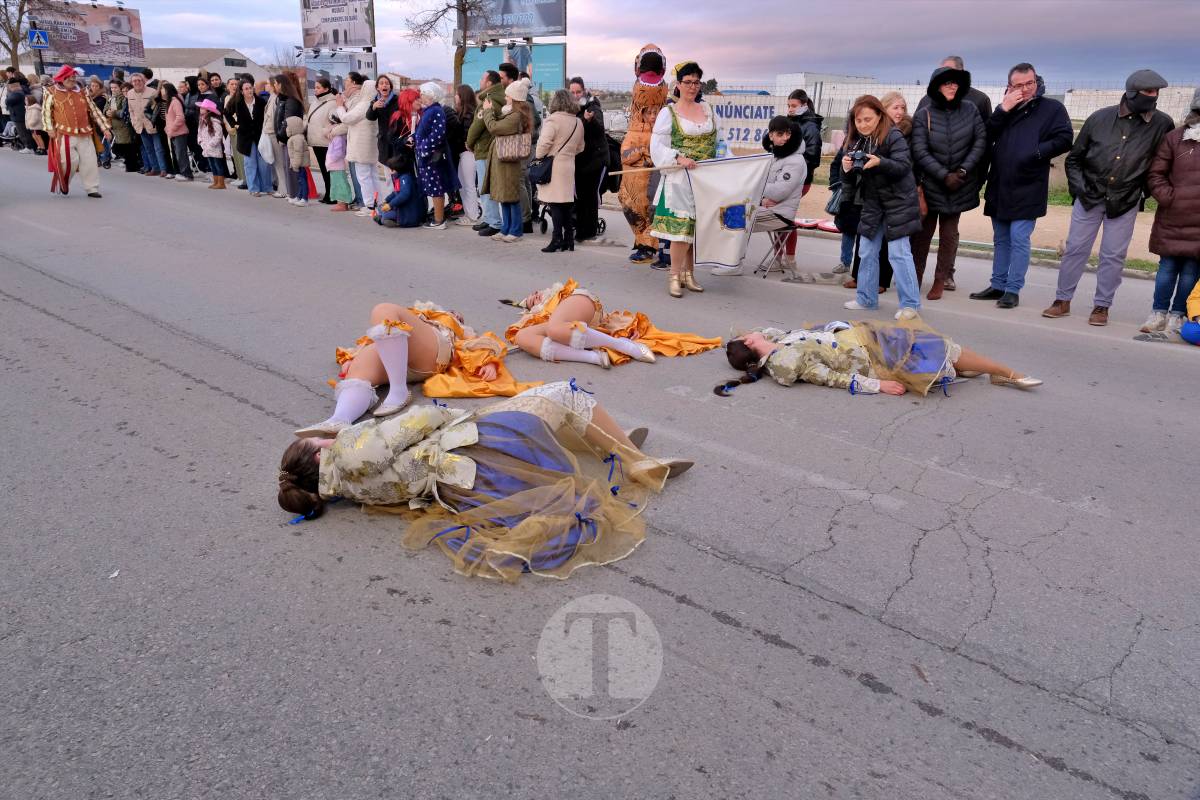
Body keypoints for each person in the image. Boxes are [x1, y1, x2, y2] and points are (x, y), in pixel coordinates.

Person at [278, 379, 691, 581]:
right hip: (476, 451)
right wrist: (442, 412)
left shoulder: (347, 489)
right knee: (561, 394)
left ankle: (608, 448)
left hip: (465, 483)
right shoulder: (350, 453)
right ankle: (631, 459)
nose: (323, 435)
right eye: (317, 439)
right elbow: (423, 418)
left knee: (530, 410)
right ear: (318, 453)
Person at [1043, 69, 1175, 326]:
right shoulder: (1099, 118)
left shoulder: (1162, 123)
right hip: (1089, 197)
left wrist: (1143, 192)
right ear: (1133, 92)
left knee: (1113, 255)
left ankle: (1102, 306)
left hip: (1125, 201)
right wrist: (1081, 189)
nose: (1154, 96)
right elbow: (1074, 159)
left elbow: (1162, 164)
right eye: (1149, 91)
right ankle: (1062, 300)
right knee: (1075, 250)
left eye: (1157, 92)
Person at [294, 301, 538, 438]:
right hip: (396, 358)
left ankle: (399, 391)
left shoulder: (449, 325)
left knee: (383, 309)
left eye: (457, 314)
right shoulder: (415, 319)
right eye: (453, 312)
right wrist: (353, 357)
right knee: (359, 371)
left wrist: (487, 362)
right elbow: (379, 336)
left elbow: (477, 345)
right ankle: (340, 419)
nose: (454, 313)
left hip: (430, 354)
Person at [967, 64, 1073, 309]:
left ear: (1036, 81)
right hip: (1000, 183)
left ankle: (1013, 289)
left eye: (1030, 83)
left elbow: (1064, 138)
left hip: (1029, 184)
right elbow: (987, 135)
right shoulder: (1005, 108)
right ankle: (998, 285)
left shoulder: (1052, 108)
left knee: (1019, 238)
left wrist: (1037, 152)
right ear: (1009, 86)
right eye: (1019, 85)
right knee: (1001, 238)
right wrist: (1004, 109)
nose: (1025, 89)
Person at [719, 320, 1043, 398]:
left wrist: (758, 342)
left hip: (861, 337)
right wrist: (878, 385)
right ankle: (1006, 372)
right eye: (749, 336)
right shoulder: (783, 362)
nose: (753, 331)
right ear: (750, 343)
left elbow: (765, 330)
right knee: (937, 350)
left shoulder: (775, 341)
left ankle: (984, 370)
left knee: (932, 344)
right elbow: (832, 378)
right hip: (869, 357)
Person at [506, 278, 722, 368]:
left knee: (554, 327)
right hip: (562, 326)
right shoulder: (532, 316)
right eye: (531, 299)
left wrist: (543, 299)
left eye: (535, 294)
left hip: (581, 304)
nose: (535, 296)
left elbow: (559, 307)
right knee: (523, 337)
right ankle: (593, 357)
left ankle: (623, 346)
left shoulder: (558, 293)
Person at [839, 94, 922, 318]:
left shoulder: (893, 135)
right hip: (873, 203)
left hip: (899, 202)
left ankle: (910, 305)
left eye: (868, 119)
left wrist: (880, 162)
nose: (863, 124)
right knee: (866, 251)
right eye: (859, 120)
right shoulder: (856, 140)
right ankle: (866, 299)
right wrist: (846, 168)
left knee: (898, 253)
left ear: (879, 115)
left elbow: (904, 166)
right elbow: (849, 180)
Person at [909, 66, 987, 300]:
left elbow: (980, 140)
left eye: (956, 83)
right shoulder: (925, 113)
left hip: (960, 185)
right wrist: (944, 175)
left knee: (949, 234)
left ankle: (941, 279)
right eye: (946, 83)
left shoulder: (970, 109)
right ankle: (915, 276)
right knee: (923, 234)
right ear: (936, 86)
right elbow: (919, 150)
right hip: (933, 183)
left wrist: (962, 171)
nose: (952, 86)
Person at [650, 61, 717, 298]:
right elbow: (656, 146)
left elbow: (719, 143)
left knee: (695, 229)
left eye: (696, 82)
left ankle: (690, 274)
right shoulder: (668, 113)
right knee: (681, 230)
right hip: (680, 179)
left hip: (704, 178)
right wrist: (678, 158)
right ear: (678, 85)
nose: (692, 87)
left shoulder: (708, 110)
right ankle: (674, 276)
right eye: (687, 82)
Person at [713, 115, 806, 278]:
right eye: (780, 134)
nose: (785, 138)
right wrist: (761, 197)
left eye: (788, 134)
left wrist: (756, 187)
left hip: (780, 215)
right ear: (771, 135)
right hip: (767, 207)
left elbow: (779, 191)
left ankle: (733, 264)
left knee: (734, 218)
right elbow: (766, 187)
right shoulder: (776, 155)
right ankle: (727, 259)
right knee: (725, 212)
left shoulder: (795, 160)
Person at [1141, 89, 1200, 336]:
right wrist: (1169, 199)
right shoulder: (1175, 138)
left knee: (1191, 271)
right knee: (1166, 268)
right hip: (1173, 216)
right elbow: (1156, 174)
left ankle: (1178, 316)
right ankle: (1158, 313)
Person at [618, 44, 669, 264]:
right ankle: (644, 241)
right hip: (641, 146)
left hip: (648, 147)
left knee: (643, 201)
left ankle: (648, 243)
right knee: (634, 200)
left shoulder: (646, 89)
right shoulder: (659, 86)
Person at [761, 88, 824, 270]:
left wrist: (793, 166)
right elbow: (773, 144)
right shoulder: (789, 122)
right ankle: (780, 257)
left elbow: (813, 156)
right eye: (788, 105)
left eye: (794, 106)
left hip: (799, 179)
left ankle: (788, 258)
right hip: (783, 175)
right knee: (781, 214)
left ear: (804, 106)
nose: (790, 109)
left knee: (785, 216)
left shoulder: (811, 127)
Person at [42, 65, 111, 198]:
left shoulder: (83, 91)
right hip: (64, 133)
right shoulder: (51, 91)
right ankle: (64, 182)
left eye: (74, 77)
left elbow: (94, 110)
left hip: (85, 132)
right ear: (62, 78)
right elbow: (45, 111)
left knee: (89, 161)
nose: (73, 80)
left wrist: (105, 127)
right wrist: (49, 128)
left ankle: (92, 188)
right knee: (69, 161)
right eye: (70, 78)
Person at [481, 78, 533, 242]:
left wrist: (488, 111)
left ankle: (515, 230)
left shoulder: (515, 116)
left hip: (508, 162)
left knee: (511, 196)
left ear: (514, 98)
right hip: (503, 161)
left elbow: (494, 128)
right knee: (504, 195)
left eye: (508, 96)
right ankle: (506, 228)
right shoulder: (511, 114)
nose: (505, 98)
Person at [534, 89, 585, 253]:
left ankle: (556, 239)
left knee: (555, 204)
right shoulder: (578, 122)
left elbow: (542, 146)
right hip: (569, 166)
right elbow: (580, 147)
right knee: (566, 205)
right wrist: (567, 154)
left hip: (554, 166)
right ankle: (569, 240)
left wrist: (541, 155)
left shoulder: (553, 120)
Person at [466, 70, 506, 236]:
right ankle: (489, 218)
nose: (480, 81)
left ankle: (494, 222)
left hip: (484, 149)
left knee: (486, 188)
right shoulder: (497, 98)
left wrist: (469, 142)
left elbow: (477, 125)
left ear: (489, 83)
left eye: (483, 78)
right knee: (485, 188)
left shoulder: (488, 101)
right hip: (489, 148)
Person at [414, 82, 458, 230]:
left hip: (432, 157)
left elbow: (438, 134)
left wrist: (423, 146)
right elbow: (423, 131)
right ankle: (438, 218)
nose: (421, 96)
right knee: (433, 187)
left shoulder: (435, 111)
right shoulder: (429, 110)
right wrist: (413, 139)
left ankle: (439, 221)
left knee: (435, 187)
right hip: (427, 156)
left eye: (423, 93)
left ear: (431, 95)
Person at [569, 77, 607, 243]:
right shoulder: (572, 108)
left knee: (589, 196)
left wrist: (588, 120)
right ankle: (581, 227)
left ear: (584, 91)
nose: (576, 95)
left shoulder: (593, 107)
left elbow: (599, 129)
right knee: (581, 196)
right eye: (572, 92)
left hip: (594, 159)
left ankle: (588, 231)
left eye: (578, 92)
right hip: (581, 159)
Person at [336, 72, 378, 214]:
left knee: (364, 176)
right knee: (372, 176)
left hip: (361, 146)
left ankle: (369, 205)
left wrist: (339, 107)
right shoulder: (374, 104)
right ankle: (375, 203)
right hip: (369, 146)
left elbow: (347, 119)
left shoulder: (364, 104)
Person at [271, 73, 306, 200]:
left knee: (292, 167)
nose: (274, 86)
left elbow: (288, 122)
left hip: (290, 138)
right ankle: (293, 193)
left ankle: (296, 194)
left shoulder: (291, 101)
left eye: (275, 83)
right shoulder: (282, 99)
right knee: (287, 167)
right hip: (285, 138)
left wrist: (280, 135)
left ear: (281, 84)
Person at [448, 84, 480, 224]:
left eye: (457, 94)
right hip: (464, 153)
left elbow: (466, 136)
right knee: (464, 184)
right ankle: (469, 213)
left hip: (468, 153)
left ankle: (472, 216)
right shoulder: (464, 112)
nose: (455, 96)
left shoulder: (468, 114)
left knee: (468, 185)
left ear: (462, 96)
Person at [233, 80, 270, 196]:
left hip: (260, 136)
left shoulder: (261, 102)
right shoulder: (237, 103)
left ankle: (267, 187)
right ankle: (254, 188)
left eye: (250, 88)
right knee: (250, 163)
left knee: (263, 164)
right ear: (242, 91)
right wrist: (235, 124)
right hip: (246, 138)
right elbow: (226, 112)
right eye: (246, 89)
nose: (249, 90)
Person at [126, 71, 164, 177]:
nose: (137, 82)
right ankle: (154, 168)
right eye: (134, 81)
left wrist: (154, 120)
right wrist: (133, 122)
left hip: (152, 124)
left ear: (143, 81)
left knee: (158, 148)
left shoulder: (152, 91)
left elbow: (156, 107)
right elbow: (130, 110)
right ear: (132, 83)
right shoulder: (129, 93)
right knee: (148, 149)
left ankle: (163, 169)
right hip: (139, 125)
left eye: (139, 80)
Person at [306, 78, 338, 203]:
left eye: (318, 87)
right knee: (323, 170)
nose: (315, 89)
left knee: (329, 170)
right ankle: (328, 193)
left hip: (325, 141)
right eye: (315, 87)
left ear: (326, 89)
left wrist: (325, 130)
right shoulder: (315, 102)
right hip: (315, 141)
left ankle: (332, 195)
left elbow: (334, 120)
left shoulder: (332, 102)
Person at [105, 79, 137, 171]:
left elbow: (124, 111)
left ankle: (130, 165)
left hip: (123, 125)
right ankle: (127, 163)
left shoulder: (123, 97)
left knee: (126, 144)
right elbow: (106, 108)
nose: (113, 89)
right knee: (121, 144)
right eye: (111, 88)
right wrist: (107, 112)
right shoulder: (111, 98)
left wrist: (114, 113)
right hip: (115, 126)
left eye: (115, 87)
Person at [197, 99, 228, 190]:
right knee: (212, 165)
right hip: (206, 148)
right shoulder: (202, 121)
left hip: (214, 148)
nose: (200, 109)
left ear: (208, 111)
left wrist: (210, 144)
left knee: (218, 165)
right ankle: (215, 182)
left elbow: (218, 135)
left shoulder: (215, 122)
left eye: (203, 108)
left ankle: (221, 183)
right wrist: (201, 142)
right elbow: (199, 133)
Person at [162, 82, 190, 181]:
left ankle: (186, 174)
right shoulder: (168, 101)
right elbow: (169, 118)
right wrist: (167, 128)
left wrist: (172, 128)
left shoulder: (175, 101)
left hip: (179, 132)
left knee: (181, 154)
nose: (161, 92)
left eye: (163, 89)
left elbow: (180, 118)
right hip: (173, 132)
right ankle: (181, 172)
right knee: (177, 154)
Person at [325, 122, 356, 212]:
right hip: (334, 165)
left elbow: (339, 153)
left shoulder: (338, 138)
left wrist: (330, 160)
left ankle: (342, 204)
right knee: (337, 184)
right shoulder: (335, 137)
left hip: (336, 165)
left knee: (340, 185)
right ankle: (342, 203)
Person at [222, 78, 246, 188]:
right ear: (227, 86)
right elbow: (225, 114)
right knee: (235, 155)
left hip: (237, 128)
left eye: (236, 84)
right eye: (231, 84)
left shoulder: (240, 98)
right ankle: (239, 176)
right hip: (230, 129)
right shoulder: (227, 98)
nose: (234, 86)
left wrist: (234, 126)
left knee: (241, 155)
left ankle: (244, 178)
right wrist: (227, 126)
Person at [285, 115, 310, 206]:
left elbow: (298, 152)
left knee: (302, 180)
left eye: (288, 126)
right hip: (298, 163)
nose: (286, 128)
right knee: (299, 180)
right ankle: (299, 197)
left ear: (293, 127)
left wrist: (296, 164)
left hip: (300, 164)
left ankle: (304, 198)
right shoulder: (294, 137)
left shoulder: (297, 138)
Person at [86, 76, 111, 168]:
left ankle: (105, 158)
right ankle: (98, 158)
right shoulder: (90, 96)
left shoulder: (102, 97)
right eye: (92, 86)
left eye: (96, 86)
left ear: (100, 87)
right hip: (91, 123)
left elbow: (97, 108)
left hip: (100, 122)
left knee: (102, 140)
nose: (94, 88)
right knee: (95, 141)